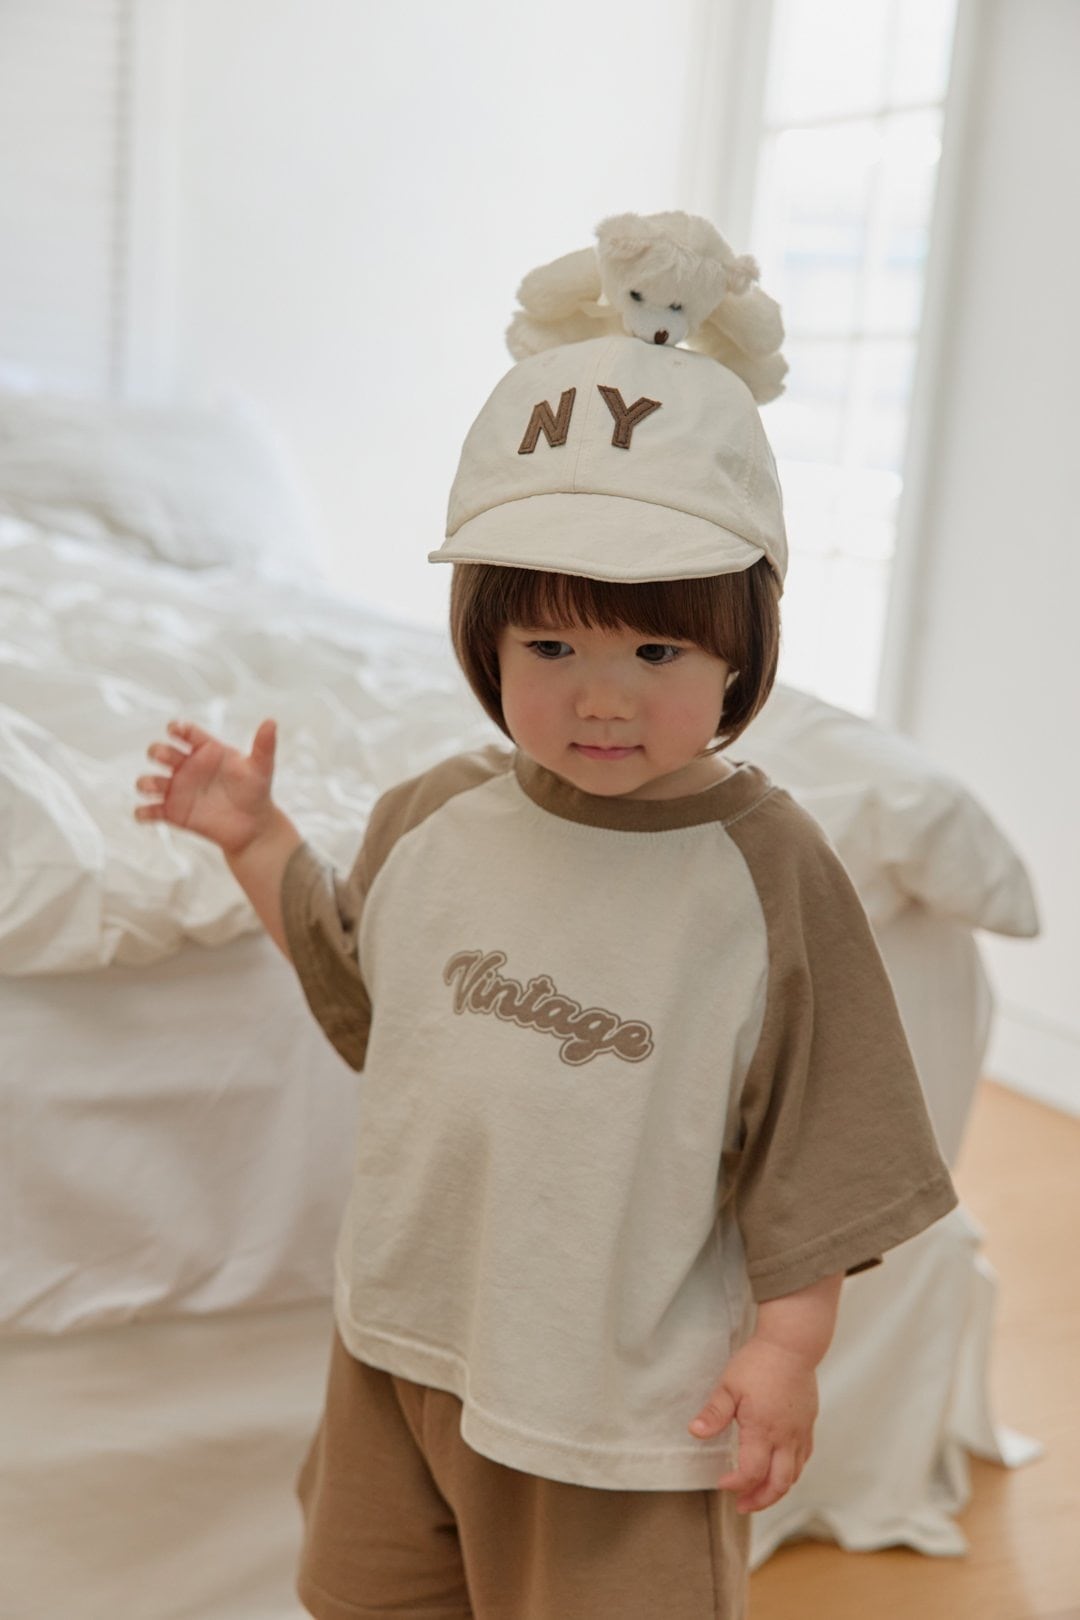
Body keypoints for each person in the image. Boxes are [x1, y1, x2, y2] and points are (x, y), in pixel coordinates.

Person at [135, 330, 957, 1619]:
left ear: (738, 655)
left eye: (657, 655)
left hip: (613, 1405)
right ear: (489, 647)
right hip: (401, 1341)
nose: (602, 701)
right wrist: (257, 840)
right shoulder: (436, 816)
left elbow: (822, 1133)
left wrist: (788, 1348)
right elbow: (364, 988)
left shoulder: (765, 871)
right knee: (370, 1595)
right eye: (551, 651)